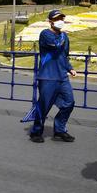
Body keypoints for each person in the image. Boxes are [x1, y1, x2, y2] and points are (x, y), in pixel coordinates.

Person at [28, 9, 77, 143]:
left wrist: (70, 68)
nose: (60, 21)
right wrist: (63, 36)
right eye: (56, 19)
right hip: (48, 76)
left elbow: (64, 55)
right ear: (50, 22)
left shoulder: (64, 36)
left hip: (62, 76)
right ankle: (36, 132)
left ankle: (60, 130)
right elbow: (56, 44)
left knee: (69, 102)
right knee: (44, 105)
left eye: (61, 18)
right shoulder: (45, 34)